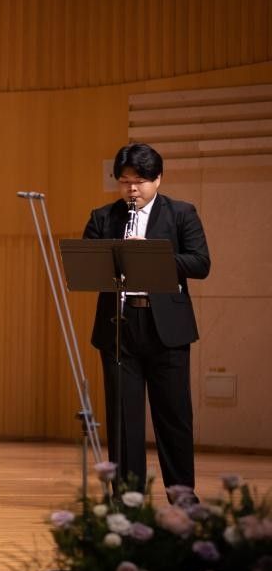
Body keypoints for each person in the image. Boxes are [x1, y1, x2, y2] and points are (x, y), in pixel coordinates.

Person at [83, 143, 210, 502]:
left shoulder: (181, 213)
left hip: (166, 328)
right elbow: (87, 265)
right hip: (119, 327)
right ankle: (128, 499)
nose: (132, 189)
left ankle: (182, 498)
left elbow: (200, 263)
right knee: (124, 421)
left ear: (158, 179)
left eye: (139, 181)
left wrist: (154, 254)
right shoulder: (103, 217)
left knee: (174, 418)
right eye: (125, 182)